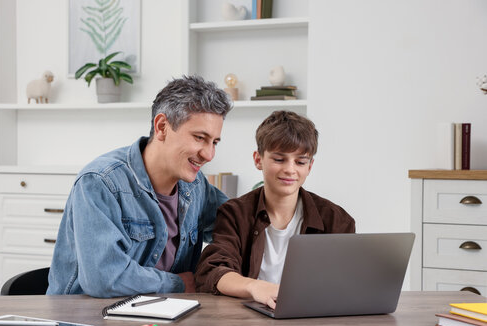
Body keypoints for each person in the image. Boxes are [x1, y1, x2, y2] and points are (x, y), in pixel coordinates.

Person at [47, 75, 232, 297]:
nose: (209, 154)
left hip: (160, 316)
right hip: (87, 321)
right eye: (199, 138)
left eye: (214, 142)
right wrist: (179, 284)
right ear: (162, 126)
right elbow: (104, 278)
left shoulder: (195, 185)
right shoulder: (100, 182)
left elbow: (236, 222)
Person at [195, 110, 355, 309]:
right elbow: (213, 271)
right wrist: (255, 287)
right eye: (279, 159)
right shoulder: (234, 213)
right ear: (258, 159)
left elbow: (346, 284)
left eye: (300, 162)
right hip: (249, 321)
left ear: (310, 166)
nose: (290, 169)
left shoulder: (336, 219)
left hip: (313, 320)